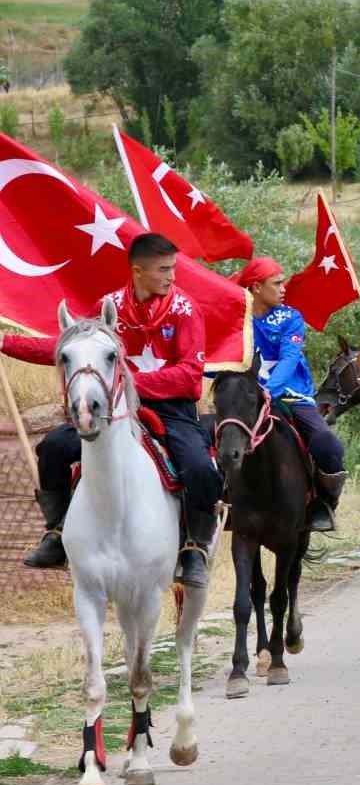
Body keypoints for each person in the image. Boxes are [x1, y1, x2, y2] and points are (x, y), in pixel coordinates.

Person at [0, 233, 223, 586]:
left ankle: (194, 548)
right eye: (164, 269)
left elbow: (189, 377)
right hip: (111, 410)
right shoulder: (111, 307)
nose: (171, 277)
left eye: (173, 269)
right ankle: (57, 533)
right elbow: (69, 347)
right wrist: (4, 342)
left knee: (200, 467)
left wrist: (129, 386)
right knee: (55, 448)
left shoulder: (185, 309)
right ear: (138, 271)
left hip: (171, 410)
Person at [235, 257, 346, 531]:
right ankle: (216, 504)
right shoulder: (236, 318)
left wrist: (267, 392)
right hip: (245, 396)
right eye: (277, 283)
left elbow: (288, 360)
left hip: (290, 394)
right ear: (256, 287)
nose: (284, 288)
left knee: (326, 443)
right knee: (214, 438)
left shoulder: (291, 318)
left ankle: (324, 503)